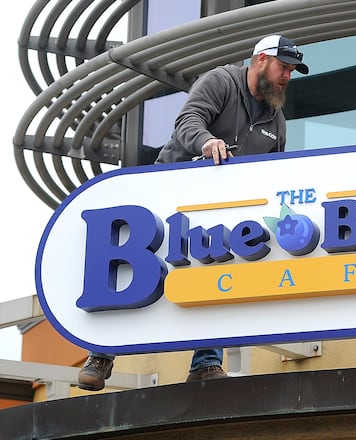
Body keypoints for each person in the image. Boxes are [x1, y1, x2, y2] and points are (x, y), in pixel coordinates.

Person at [77, 34, 309, 391]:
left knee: (220, 272)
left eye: (292, 71)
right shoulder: (221, 81)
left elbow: (272, 175)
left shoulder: (275, 122)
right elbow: (188, 121)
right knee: (132, 269)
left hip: (217, 212)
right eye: (283, 67)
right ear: (260, 60)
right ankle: (101, 354)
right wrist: (206, 141)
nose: (287, 77)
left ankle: (205, 363)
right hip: (167, 195)